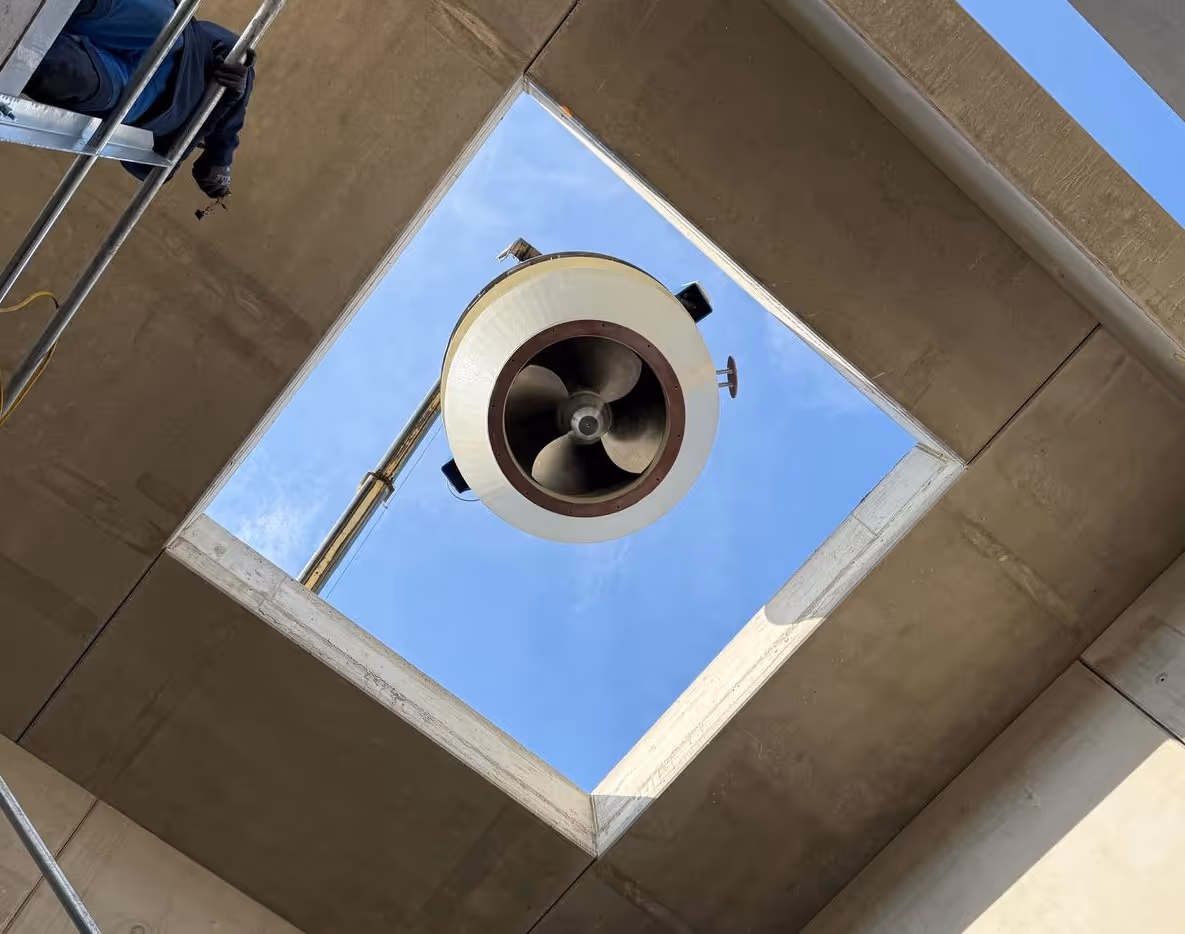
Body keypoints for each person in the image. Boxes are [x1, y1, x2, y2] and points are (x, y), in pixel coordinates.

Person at [24, 0, 255, 198]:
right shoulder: (230, 90)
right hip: (174, 40)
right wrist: (221, 153)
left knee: (62, 72)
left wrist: (214, 124)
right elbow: (232, 45)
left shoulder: (177, 141)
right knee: (101, 10)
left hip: (143, 102)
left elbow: (153, 172)